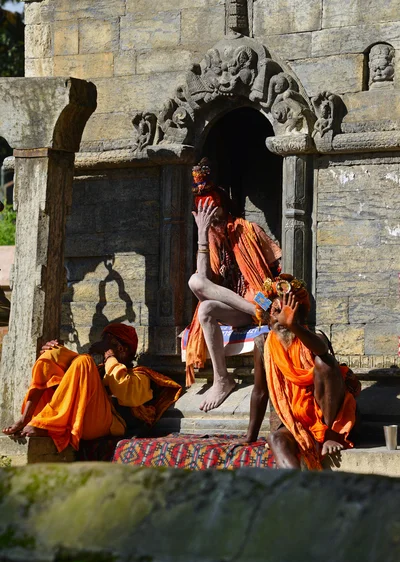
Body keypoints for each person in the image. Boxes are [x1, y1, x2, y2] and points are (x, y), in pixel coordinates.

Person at [186, 158, 281, 412]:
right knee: (200, 292)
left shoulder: (249, 230)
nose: (210, 216)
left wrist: (278, 298)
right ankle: (222, 379)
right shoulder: (211, 239)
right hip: (242, 310)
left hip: (262, 299)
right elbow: (203, 280)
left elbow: (278, 265)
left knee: (202, 286)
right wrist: (202, 236)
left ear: (222, 206)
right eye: (203, 213)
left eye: (212, 210)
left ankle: (258, 311)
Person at [2, 323, 182, 452]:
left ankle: (46, 424)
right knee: (54, 353)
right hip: (81, 416)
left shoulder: (142, 376)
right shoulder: (99, 371)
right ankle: (26, 417)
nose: (103, 347)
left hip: (107, 425)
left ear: (122, 349)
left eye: (108, 342)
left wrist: (110, 356)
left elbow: (127, 394)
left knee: (84, 361)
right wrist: (55, 352)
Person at [245, 275, 358, 470]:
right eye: (276, 312)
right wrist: (249, 437)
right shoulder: (262, 344)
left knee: (324, 363)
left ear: (298, 315)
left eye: (288, 313)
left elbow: (323, 352)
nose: (282, 319)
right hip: (289, 421)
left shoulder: (313, 337)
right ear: (268, 318)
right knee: (276, 439)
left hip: (328, 419)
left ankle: (327, 436)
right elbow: (259, 392)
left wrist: (294, 327)